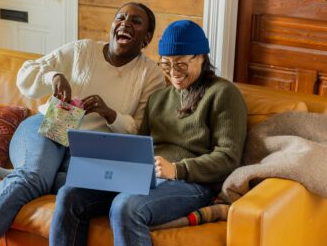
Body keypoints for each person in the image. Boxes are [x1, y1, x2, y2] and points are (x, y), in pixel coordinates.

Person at [0, 2, 166, 246]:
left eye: (135, 21)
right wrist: (54, 76)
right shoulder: (83, 50)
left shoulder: (151, 74)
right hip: (50, 125)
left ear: (146, 37)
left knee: (85, 184)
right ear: (112, 26)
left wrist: (109, 114)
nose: (125, 23)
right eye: (120, 18)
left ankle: (17, 174)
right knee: (34, 177)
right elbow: (26, 74)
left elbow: (139, 130)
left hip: (91, 149)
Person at [49, 20, 248, 246]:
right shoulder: (159, 98)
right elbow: (141, 146)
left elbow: (229, 157)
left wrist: (178, 169)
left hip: (192, 183)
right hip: (146, 176)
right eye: (166, 64)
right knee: (70, 194)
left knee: (126, 206)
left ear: (201, 57)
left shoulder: (223, 94)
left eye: (181, 65)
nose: (173, 73)